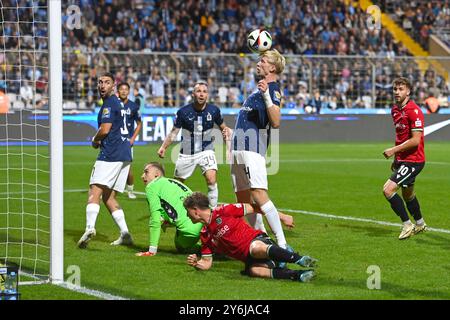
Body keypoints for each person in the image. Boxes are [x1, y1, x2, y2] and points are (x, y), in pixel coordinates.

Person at [229, 49, 290, 250]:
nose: (258, 63)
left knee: (259, 194)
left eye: (263, 60)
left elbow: (276, 121)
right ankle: (260, 237)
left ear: (272, 67)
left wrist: (266, 96)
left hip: (252, 149)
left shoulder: (272, 89)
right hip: (238, 148)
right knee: (243, 200)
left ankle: (282, 244)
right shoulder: (259, 88)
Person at [183, 192, 317, 282]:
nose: (187, 215)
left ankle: (299, 259)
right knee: (254, 271)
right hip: (250, 259)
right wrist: (196, 264)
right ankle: (297, 275)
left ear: (195, 209)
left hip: (258, 241)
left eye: (187, 211)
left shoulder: (224, 211)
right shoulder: (205, 234)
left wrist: (281, 216)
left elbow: (256, 207)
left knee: (255, 248)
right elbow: (206, 263)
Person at [77, 72, 133, 248]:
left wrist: (94, 140)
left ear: (113, 85)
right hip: (124, 154)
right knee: (109, 196)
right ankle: (125, 233)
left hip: (111, 153)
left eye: (106, 82)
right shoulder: (117, 103)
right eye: (100, 82)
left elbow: (105, 129)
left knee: (95, 190)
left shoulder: (109, 104)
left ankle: (89, 228)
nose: (102, 85)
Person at [158, 81, 230, 208]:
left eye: (204, 91)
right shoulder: (183, 112)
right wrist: (164, 147)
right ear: (193, 94)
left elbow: (224, 129)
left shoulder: (214, 110)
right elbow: (174, 132)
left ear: (207, 95)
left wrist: (229, 148)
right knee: (177, 184)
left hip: (206, 150)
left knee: (211, 180)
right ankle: (171, 209)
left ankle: (212, 213)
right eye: (198, 91)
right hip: (187, 153)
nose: (201, 94)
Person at [382, 77, 428, 240]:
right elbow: (401, 136)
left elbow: (416, 140)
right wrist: (397, 158)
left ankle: (407, 224)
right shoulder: (395, 109)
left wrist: (393, 150)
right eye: (395, 89)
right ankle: (420, 224)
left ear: (408, 91)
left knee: (388, 190)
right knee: (408, 195)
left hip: (414, 160)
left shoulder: (414, 111)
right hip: (403, 160)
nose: (397, 92)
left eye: (401, 89)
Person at [135, 162, 203, 256]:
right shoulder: (173, 182)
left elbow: (155, 219)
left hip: (190, 231)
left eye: (146, 172)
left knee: (181, 246)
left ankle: (207, 249)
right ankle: (212, 245)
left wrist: (152, 250)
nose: (142, 176)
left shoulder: (151, 187)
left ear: (156, 174)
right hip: (205, 222)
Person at [117, 82, 142, 199]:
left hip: (127, 142)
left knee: (127, 168)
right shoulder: (114, 105)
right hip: (115, 141)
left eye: (126, 89)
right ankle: (107, 191)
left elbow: (139, 124)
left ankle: (130, 191)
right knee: (111, 167)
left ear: (129, 91)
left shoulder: (133, 106)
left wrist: (133, 138)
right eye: (121, 89)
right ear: (118, 91)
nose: (123, 91)